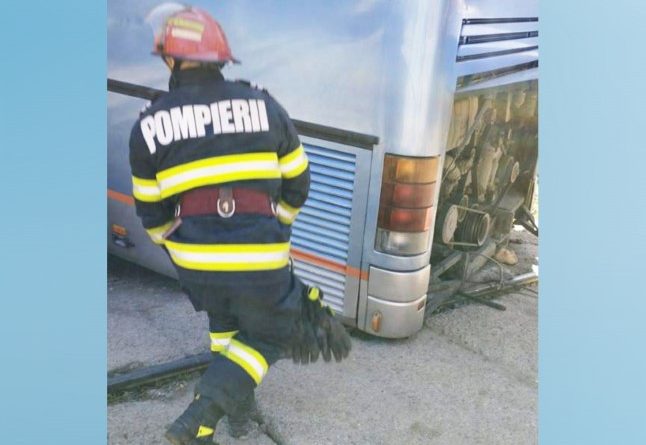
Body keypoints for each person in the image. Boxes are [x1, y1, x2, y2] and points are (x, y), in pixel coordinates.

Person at [129, 6, 350, 445]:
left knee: (226, 322)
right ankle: (201, 414)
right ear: (222, 59)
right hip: (258, 253)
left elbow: (151, 214)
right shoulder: (264, 106)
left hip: (195, 260)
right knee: (277, 329)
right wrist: (275, 228)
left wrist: (185, 250)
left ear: (170, 59)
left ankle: (232, 416)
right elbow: (298, 182)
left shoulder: (148, 124)